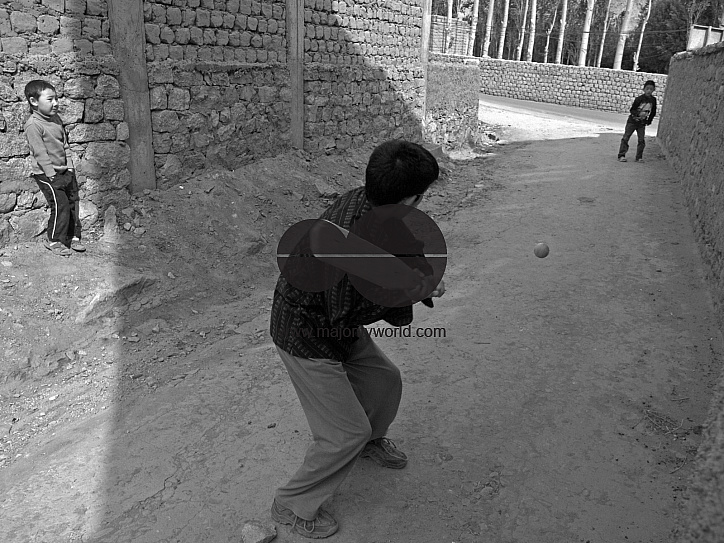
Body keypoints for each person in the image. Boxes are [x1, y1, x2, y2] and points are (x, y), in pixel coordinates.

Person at [268, 140, 446, 539]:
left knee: (385, 380)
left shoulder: (370, 204)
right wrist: (416, 292)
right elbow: (353, 308)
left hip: (332, 322)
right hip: (306, 332)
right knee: (344, 432)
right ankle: (291, 504)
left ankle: (370, 442)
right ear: (411, 197)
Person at [23, 80, 85, 256]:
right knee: (61, 205)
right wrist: (51, 175)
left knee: (73, 202)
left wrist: (70, 168)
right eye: (50, 99)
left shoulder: (56, 120)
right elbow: (40, 153)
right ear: (34, 101)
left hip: (65, 170)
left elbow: (65, 145)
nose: (56, 103)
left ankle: (73, 236)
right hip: (47, 173)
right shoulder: (34, 125)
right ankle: (55, 240)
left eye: (56, 98)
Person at [618, 80, 657, 163]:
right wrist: (636, 116)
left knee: (641, 140)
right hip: (632, 121)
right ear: (644, 89)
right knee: (626, 138)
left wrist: (648, 121)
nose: (649, 91)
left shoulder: (653, 100)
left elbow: (653, 112)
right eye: (647, 89)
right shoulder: (639, 99)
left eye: (651, 89)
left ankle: (639, 157)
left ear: (653, 90)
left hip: (641, 123)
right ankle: (621, 155)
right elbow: (632, 110)